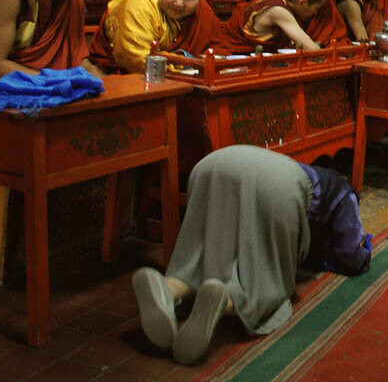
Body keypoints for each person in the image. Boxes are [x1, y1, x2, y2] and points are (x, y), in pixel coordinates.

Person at [131, 145, 371, 364]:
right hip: (277, 185)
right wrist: (365, 247)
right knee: (265, 282)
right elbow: (352, 257)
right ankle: (226, 302)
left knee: (202, 254)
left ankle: (169, 288)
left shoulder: (305, 168)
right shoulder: (345, 193)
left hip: (212, 164)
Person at [89, 0, 219, 73]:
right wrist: (186, 64)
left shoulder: (202, 10)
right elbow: (138, 63)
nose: (179, 3)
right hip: (123, 79)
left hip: (182, 81)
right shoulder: (138, 6)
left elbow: (219, 45)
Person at [210, 0, 329, 54]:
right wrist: (316, 46)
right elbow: (311, 49)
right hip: (226, 56)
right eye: (316, 8)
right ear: (302, 2)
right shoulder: (279, 10)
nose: (315, 13)